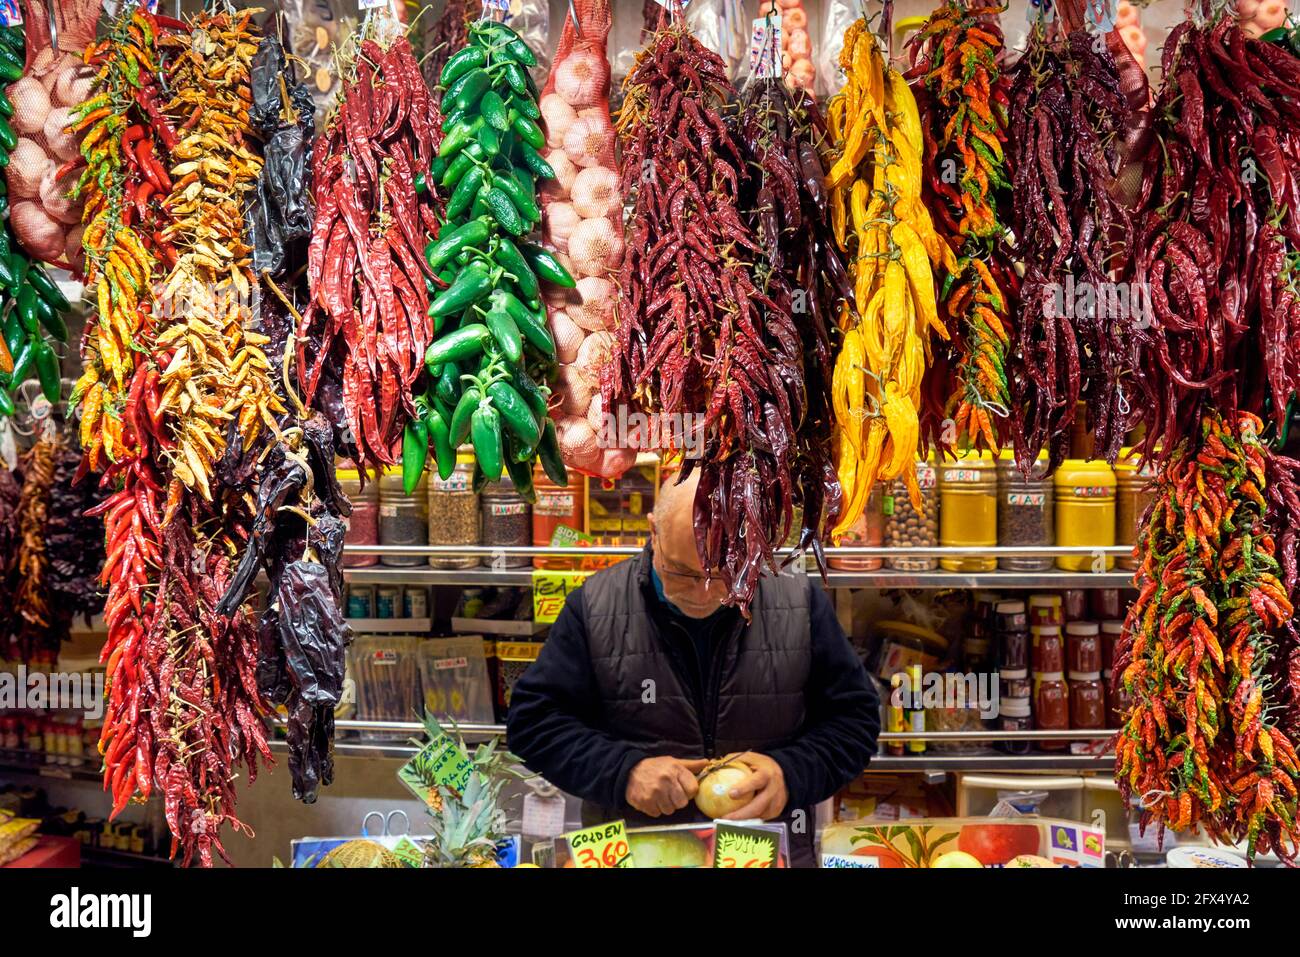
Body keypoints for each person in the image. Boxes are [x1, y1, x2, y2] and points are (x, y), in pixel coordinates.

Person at [506, 468, 880, 866]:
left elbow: (855, 722)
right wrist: (624, 772)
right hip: (637, 853)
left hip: (762, 853)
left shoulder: (799, 602)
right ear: (653, 532)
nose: (704, 593)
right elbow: (533, 724)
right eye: (683, 572)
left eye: (723, 572)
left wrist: (790, 774)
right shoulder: (596, 607)